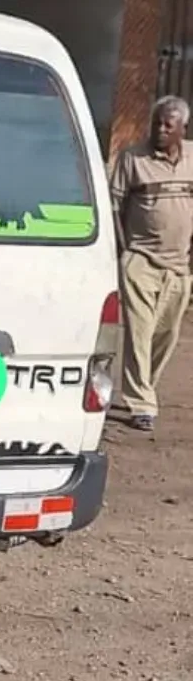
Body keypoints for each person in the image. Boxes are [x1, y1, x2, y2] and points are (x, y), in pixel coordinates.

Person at [110, 95, 193, 432]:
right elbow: (115, 205)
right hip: (141, 260)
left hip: (179, 266)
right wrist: (123, 251)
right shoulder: (132, 158)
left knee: (166, 334)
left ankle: (146, 387)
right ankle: (141, 402)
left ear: (182, 129)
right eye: (156, 123)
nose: (159, 130)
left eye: (167, 125)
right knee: (140, 334)